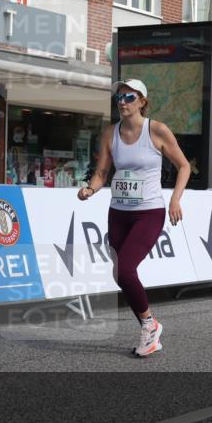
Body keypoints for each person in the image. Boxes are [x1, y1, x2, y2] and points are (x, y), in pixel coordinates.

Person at [77, 79, 191, 358]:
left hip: (149, 212)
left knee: (126, 269)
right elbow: (102, 172)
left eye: (129, 97)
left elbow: (184, 165)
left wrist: (176, 198)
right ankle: (150, 325)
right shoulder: (109, 133)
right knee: (119, 273)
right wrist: (91, 188)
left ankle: (149, 325)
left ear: (142, 101)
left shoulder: (157, 130)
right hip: (118, 213)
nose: (123, 102)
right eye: (119, 98)